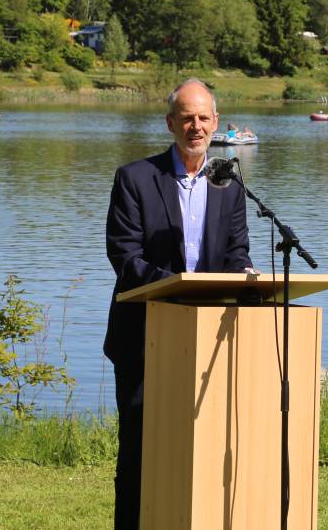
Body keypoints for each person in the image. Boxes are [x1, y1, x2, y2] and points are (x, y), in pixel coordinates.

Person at [104, 78, 252, 529]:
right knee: (141, 450)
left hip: (208, 341)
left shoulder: (230, 185)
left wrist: (245, 277)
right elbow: (125, 258)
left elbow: (236, 254)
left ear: (216, 123)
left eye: (203, 117)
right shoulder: (135, 179)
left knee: (201, 448)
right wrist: (181, 287)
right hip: (143, 338)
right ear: (170, 122)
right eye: (186, 117)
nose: (195, 126)